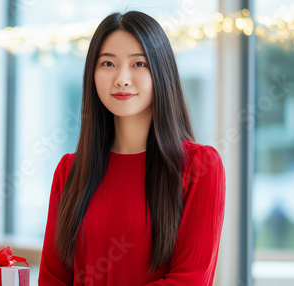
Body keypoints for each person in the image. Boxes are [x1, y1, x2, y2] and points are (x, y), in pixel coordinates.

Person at [38, 10, 226, 285]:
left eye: (139, 64)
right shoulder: (70, 171)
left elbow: (190, 279)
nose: (122, 79)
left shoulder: (199, 166)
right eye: (108, 64)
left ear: (161, 72)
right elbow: (53, 278)